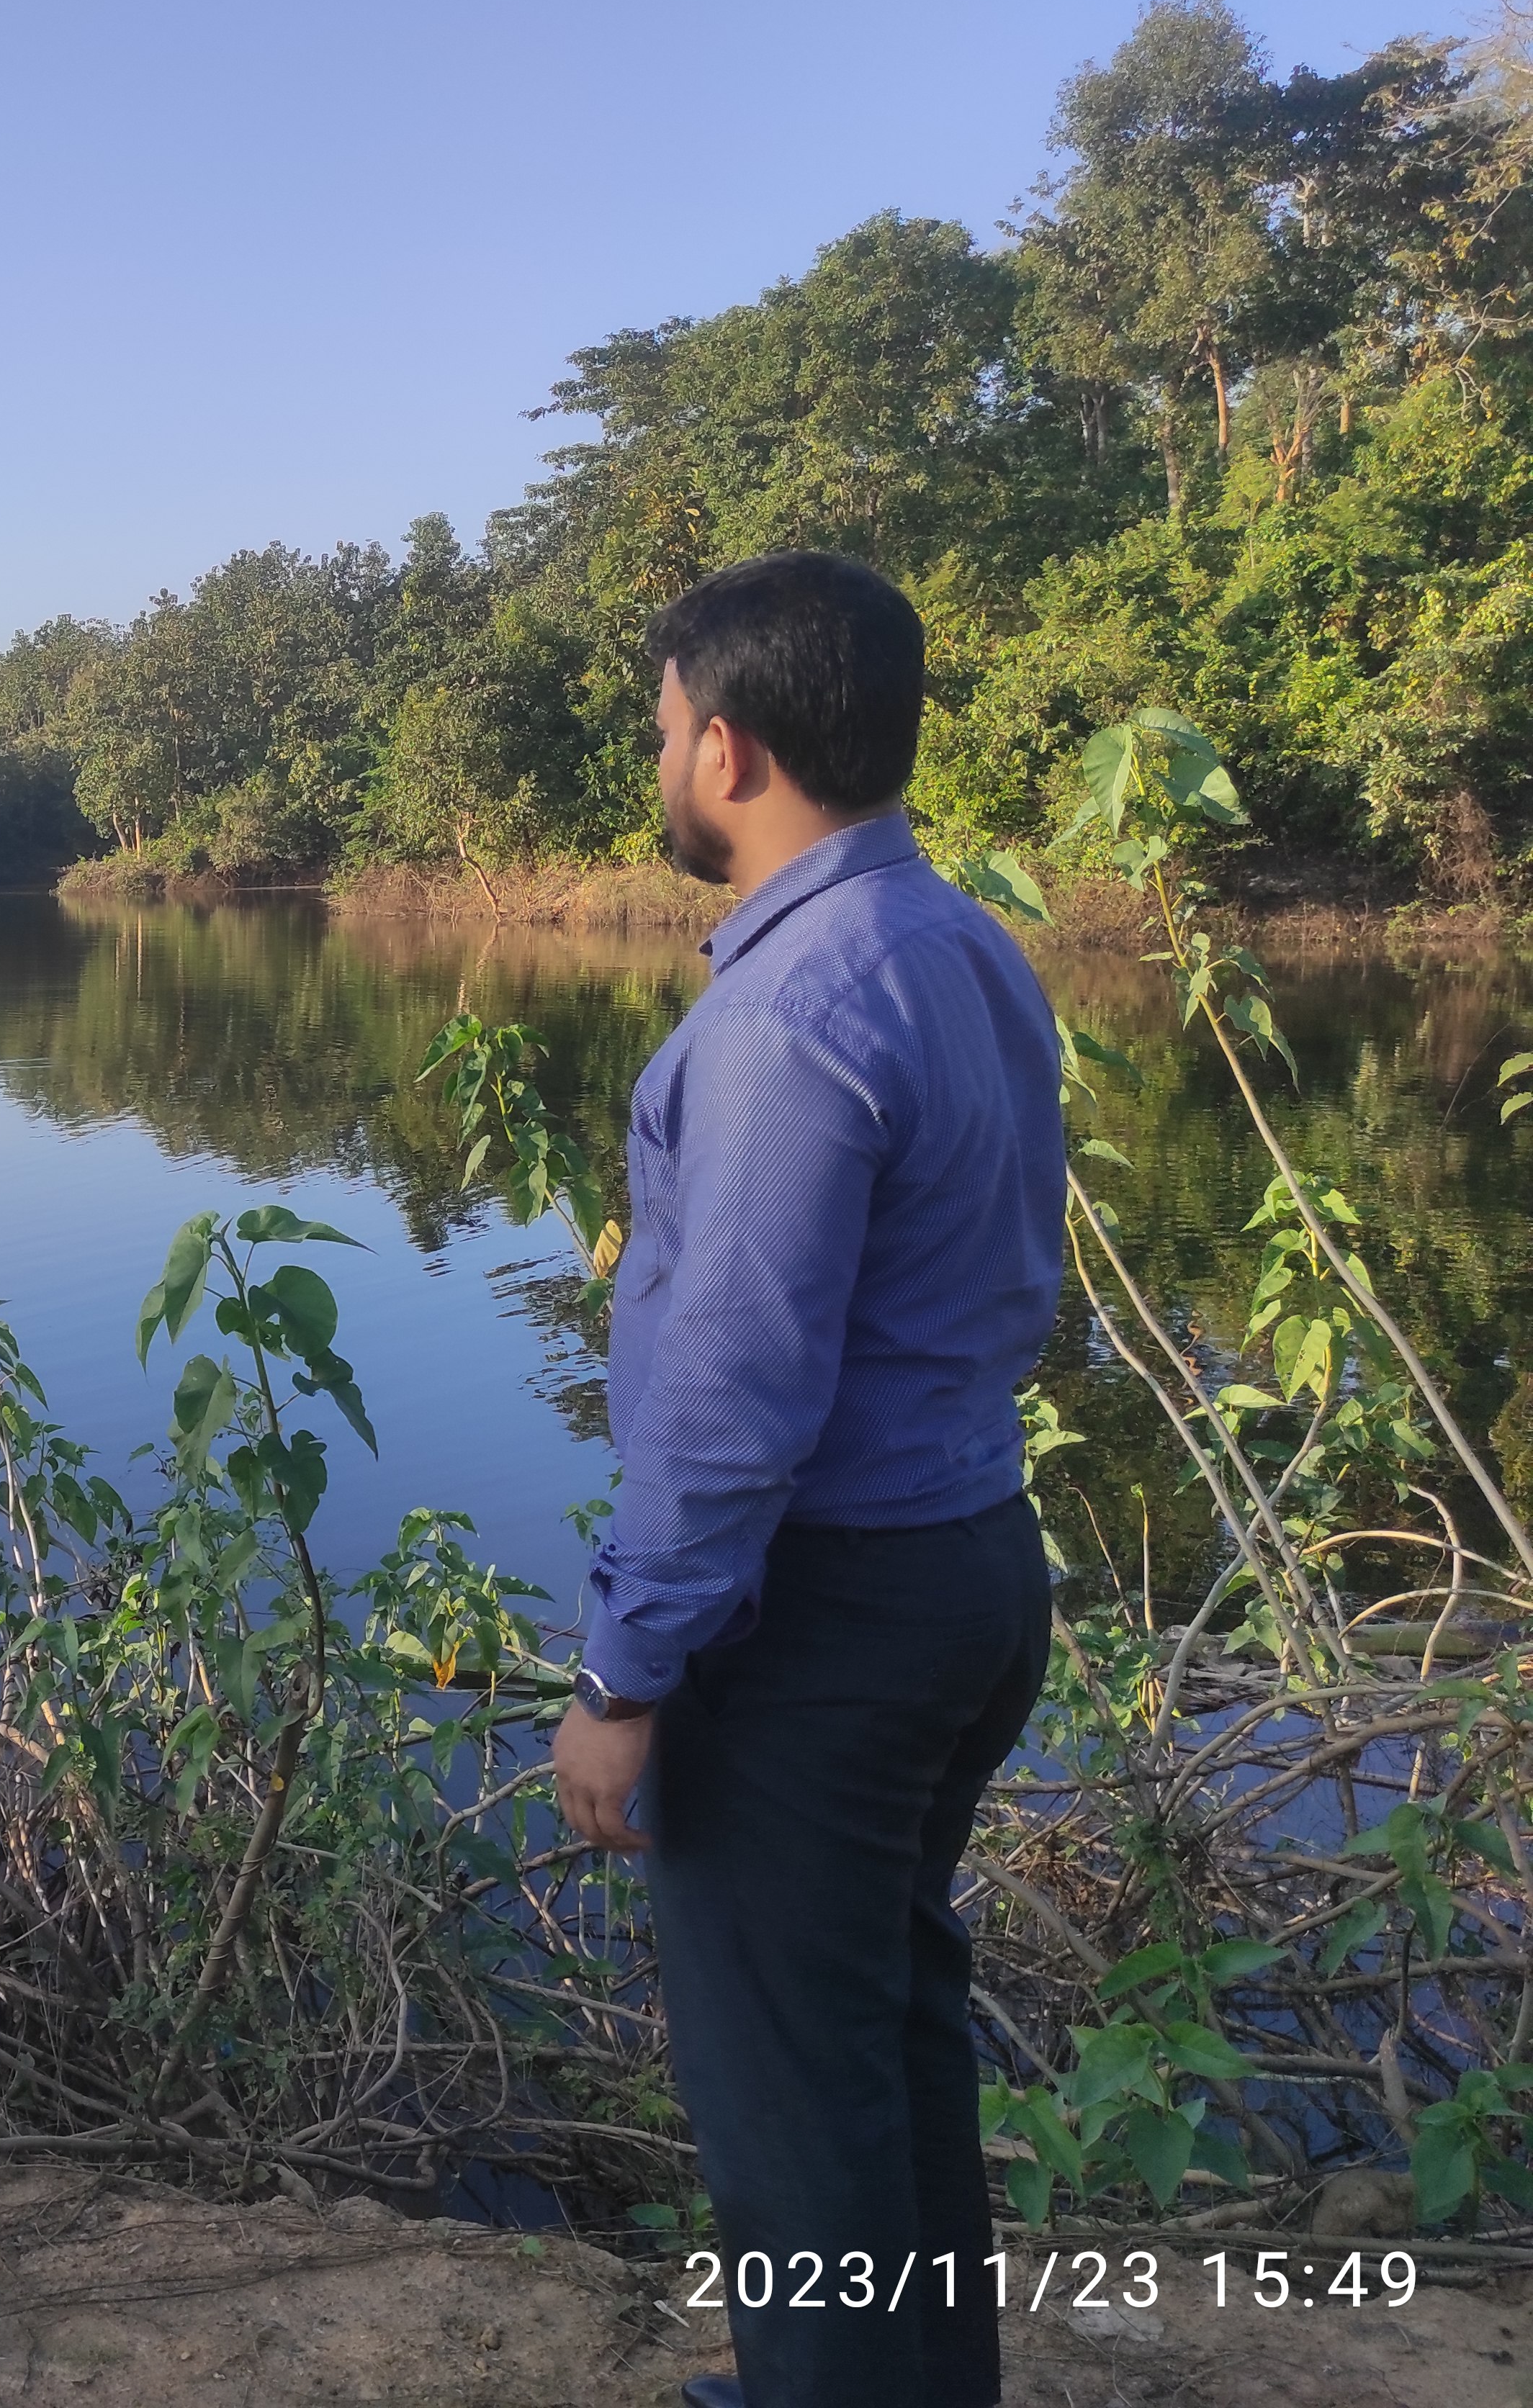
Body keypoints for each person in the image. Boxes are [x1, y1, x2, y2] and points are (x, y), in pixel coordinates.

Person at [547, 553, 1064, 2408]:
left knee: (786, 2096)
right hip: (967, 1562)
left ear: (729, 747)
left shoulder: (786, 1012)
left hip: (825, 1620)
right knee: (885, 2032)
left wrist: (622, 1673)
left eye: (662, 730)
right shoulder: (958, 943)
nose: (659, 761)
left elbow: (732, 1395)